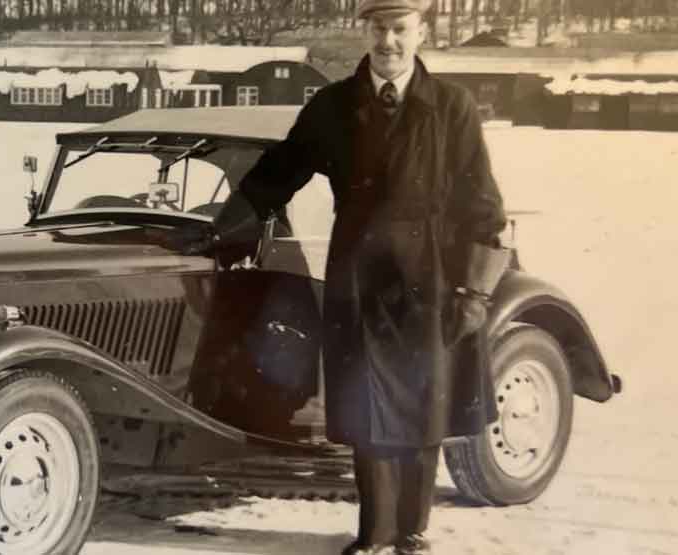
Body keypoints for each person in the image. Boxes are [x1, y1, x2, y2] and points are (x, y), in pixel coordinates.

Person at [178, 1, 511, 553]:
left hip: (430, 279)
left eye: (400, 29)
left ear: (421, 32)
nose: (389, 42)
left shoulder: (452, 107)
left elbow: (484, 205)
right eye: (379, 29)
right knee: (366, 405)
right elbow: (275, 177)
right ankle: (374, 534)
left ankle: (411, 533)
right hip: (357, 277)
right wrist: (219, 231)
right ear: (366, 31)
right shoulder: (332, 106)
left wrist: (475, 292)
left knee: (423, 408)